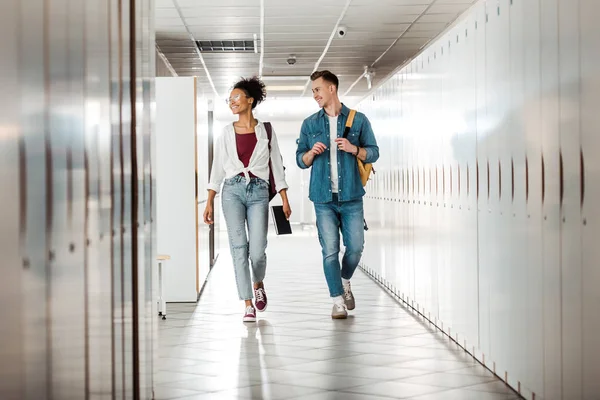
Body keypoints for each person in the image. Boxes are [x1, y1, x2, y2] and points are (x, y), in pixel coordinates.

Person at [204, 77, 291, 323]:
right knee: (238, 248)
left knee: (257, 251)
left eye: (236, 97)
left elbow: (276, 165)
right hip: (232, 191)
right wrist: (210, 200)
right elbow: (217, 169)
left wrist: (284, 197)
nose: (232, 102)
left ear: (250, 100)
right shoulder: (225, 133)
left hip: (259, 191)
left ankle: (258, 281)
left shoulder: (266, 131)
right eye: (229, 99)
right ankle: (247, 304)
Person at [295, 70, 379, 319]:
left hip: (352, 195)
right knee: (330, 250)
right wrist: (310, 153)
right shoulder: (310, 124)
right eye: (313, 91)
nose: (315, 95)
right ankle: (337, 301)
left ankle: (344, 281)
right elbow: (301, 160)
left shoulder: (359, 120)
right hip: (323, 198)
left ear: (332, 88)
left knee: (355, 248)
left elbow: (374, 152)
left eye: (318, 90)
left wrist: (354, 149)